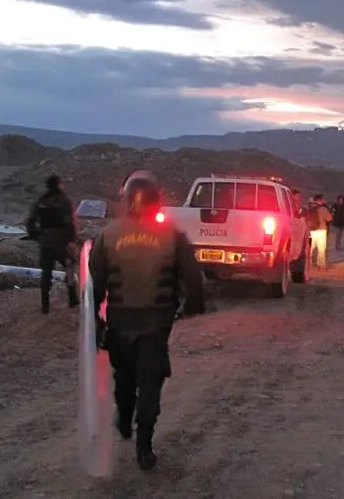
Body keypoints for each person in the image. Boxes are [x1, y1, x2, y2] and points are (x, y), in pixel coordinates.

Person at [89, 170, 206, 471]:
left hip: (119, 320)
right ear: (156, 200)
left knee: (125, 375)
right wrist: (192, 305)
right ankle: (144, 446)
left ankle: (125, 418)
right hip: (156, 320)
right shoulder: (172, 236)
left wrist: (95, 324)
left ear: (127, 199)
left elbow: (94, 285)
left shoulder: (108, 234)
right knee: (150, 379)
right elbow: (194, 278)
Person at [24, 173, 78, 314]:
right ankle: (72, 298)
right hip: (62, 243)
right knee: (70, 268)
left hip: (46, 243)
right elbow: (69, 223)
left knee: (46, 273)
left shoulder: (41, 201)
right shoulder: (64, 201)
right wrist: (71, 240)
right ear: (58, 184)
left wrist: (37, 235)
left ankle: (45, 305)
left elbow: (30, 222)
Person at [306, 195, 333, 269]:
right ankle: (320, 264)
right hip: (321, 231)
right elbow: (329, 219)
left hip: (311, 231)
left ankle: (308, 263)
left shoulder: (310, 208)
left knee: (310, 248)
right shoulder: (323, 209)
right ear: (320, 200)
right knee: (321, 249)